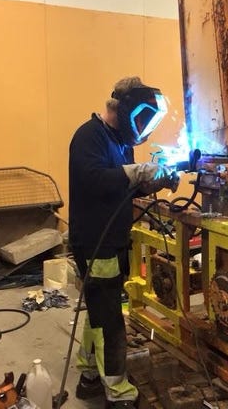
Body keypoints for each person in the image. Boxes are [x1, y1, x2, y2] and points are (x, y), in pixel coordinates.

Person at [68, 76, 177, 408]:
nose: (143, 129)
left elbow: (124, 185)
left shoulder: (121, 143)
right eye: (142, 120)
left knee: (99, 309)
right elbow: (95, 180)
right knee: (110, 318)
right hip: (95, 242)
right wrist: (136, 172)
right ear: (125, 110)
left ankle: (89, 376)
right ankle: (118, 393)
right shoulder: (88, 136)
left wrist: (155, 180)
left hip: (113, 239)